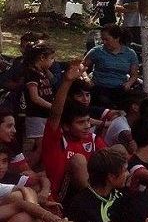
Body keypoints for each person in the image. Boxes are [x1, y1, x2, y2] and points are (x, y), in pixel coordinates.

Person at [42, 62, 107, 201]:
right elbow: (55, 114)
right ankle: (95, 202)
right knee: (79, 160)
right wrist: (67, 82)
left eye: (88, 121)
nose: (87, 126)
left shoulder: (93, 139)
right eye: (81, 123)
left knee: (117, 151)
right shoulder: (56, 140)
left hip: (93, 191)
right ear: (66, 126)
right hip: (62, 198)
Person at [62, 147, 128, 222]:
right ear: (111, 177)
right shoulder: (81, 204)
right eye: (125, 171)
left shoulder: (120, 195)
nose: (128, 174)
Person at [82, 24, 139, 108]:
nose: (104, 42)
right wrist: (86, 78)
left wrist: (128, 84)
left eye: (107, 39)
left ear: (117, 38)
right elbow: (82, 66)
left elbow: (134, 74)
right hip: (99, 88)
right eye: (103, 39)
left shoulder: (130, 54)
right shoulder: (97, 51)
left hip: (119, 90)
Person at [21, 42, 56, 168]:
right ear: (42, 57)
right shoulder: (32, 74)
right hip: (36, 116)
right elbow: (34, 97)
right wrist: (53, 107)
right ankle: (26, 169)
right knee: (39, 147)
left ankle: (35, 168)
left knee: (44, 145)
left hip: (44, 115)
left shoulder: (43, 72)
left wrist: (46, 68)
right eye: (51, 58)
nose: (53, 61)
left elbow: (52, 79)